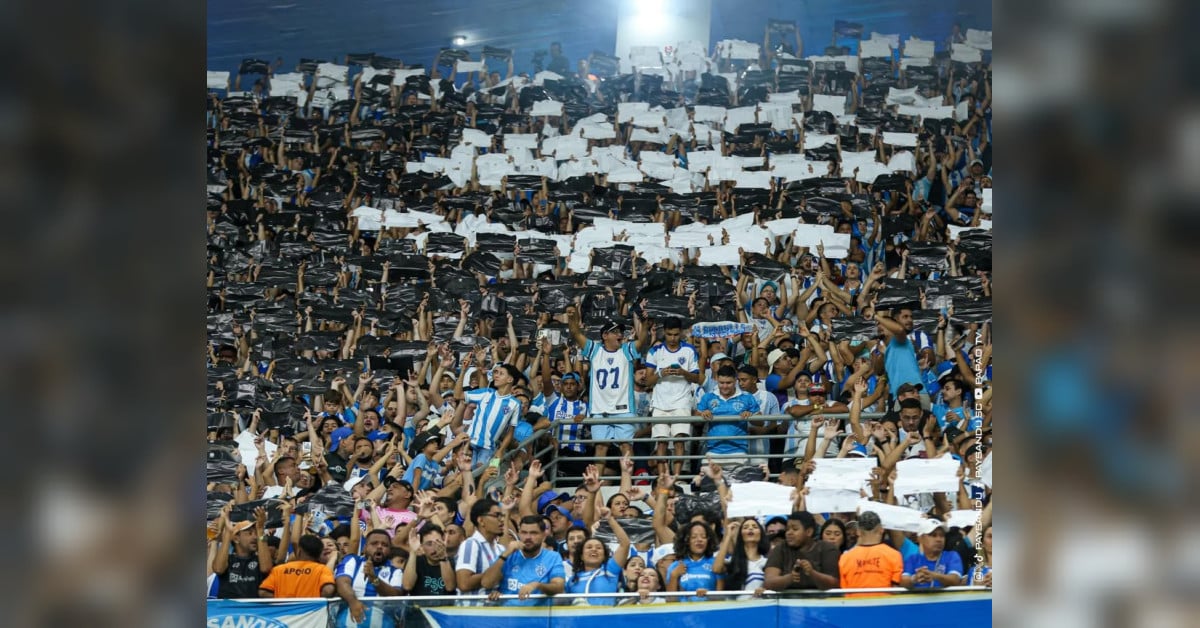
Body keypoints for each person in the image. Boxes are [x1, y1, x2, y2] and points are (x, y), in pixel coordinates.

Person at [567, 308, 651, 475]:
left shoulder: (626, 350)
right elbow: (575, 333)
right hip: (600, 410)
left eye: (621, 332)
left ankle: (628, 481)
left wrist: (645, 324)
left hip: (624, 409)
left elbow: (642, 340)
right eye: (615, 332)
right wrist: (572, 316)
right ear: (605, 335)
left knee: (626, 446)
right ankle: (596, 483)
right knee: (600, 448)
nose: (620, 334)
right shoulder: (595, 350)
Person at [644, 317, 703, 477]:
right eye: (669, 334)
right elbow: (647, 381)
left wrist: (683, 372)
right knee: (661, 442)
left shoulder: (689, 350)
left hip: (682, 402)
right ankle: (663, 477)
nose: (672, 338)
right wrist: (661, 373)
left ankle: (676, 478)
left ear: (681, 333)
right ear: (664, 332)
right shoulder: (655, 351)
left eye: (676, 335)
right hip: (660, 403)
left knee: (679, 441)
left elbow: (697, 378)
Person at [454, 353, 522, 468]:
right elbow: (457, 395)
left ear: (510, 379)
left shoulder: (515, 404)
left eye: (501, 373)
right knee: (463, 473)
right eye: (496, 372)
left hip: (489, 448)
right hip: (469, 443)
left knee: (487, 473)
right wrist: (463, 371)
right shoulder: (486, 392)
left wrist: (501, 450)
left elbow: (510, 432)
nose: (496, 376)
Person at [482, 515, 566, 606]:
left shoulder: (553, 557)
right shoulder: (508, 555)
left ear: (543, 536)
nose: (528, 537)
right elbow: (486, 583)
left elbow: (559, 587)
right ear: (518, 533)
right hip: (507, 611)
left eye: (533, 533)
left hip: (538, 613)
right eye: (524, 533)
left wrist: (537, 585)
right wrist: (505, 554)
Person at [334, 529, 405, 626]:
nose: (379, 546)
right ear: (364, 548)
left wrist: (374, 579)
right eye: (374, 543)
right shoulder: (353, 561)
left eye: (384, 545)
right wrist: (353, 602)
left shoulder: (396, 571)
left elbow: (395, 596)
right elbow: (342, 583)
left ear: (390, 550)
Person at [695, 365, 761, 464]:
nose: (725, 386)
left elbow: (761, 422)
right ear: (717, 380)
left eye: (728, 383)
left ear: (735, 380)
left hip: (739, 452)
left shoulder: (747, 397)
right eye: (721, 383)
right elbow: (695, 421)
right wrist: (702, 414)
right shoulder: (708, 397)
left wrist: (750, 416)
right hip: (712, 451)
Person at [564, 506, 631, 605]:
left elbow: (625, 544)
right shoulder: (572, 580)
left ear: (604, 556)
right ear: (581, 556)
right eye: (589, 547)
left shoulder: (610, 570)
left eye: (599, 548)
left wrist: (609, 518)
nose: (594, 549)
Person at [763, 512, 840, 590]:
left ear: (809, 532)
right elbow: (768, 583)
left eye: (795, 529)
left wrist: (812, 573)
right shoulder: (780, 549)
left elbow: (835, 583)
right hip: (788, 597)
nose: (789, 533)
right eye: (787, 529)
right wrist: (790, 578)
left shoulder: (827, 549)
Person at [212, 507, 273, 599]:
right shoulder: (228, 560)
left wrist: (260, 530)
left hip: (254, 608)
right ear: (236, 538)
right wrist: (228, 532)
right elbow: (218, 569)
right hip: (229, 607)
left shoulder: (260, 560)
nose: (255, 537)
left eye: (255, 533)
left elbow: (266, 568)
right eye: (249, 533)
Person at [456, 499, 508, 599]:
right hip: (472, 607)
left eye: (502, 516)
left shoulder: (500, 549)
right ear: (481, 521)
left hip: (495, 607)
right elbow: (464, 583)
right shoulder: (470, 544)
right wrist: (493, 576)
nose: (502, 520)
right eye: (496, 515)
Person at [837, 512, 902, 590]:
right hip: (884, 598)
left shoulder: (845, 558)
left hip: (854, 598)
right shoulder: (894, 555)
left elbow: (844, 589)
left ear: (858, 531)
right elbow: (895, 589)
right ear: (881, 529)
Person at [258, 534, 337, 598]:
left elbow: (263, 592)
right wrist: (315, 602)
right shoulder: (322, 569)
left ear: (299, 551)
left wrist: (282, 602)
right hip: (312, 611)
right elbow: (328, 590)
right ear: (319, 553)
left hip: (284, 612)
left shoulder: (278, 569)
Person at [665, 521, 723, 601]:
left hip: (709, 608)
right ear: (686, 541)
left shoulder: (716, 564)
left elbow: (720, 599)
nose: (699, 540)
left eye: (703, 537)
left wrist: (708, 595)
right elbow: (670, 602)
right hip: (684, 608)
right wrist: (674, 576)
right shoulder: (675, 566)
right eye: (694, 537)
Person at [901, 520, 965, 589]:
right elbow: (903, 582)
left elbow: (955, 580)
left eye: (942, 536)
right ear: (920, 538)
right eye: (933, 535)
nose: (939, 539)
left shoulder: (952, 556)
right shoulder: (913, 559)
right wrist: (915, 578)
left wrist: (935, 576)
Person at [717, 518, 769, 598]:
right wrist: (728, 535)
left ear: (761, 534)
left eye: (755, 527)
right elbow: (717, 569)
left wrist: (764, 590)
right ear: (741, 535)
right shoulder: (733, 561)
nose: (750, 528)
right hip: (737, 604)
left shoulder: (767, 562)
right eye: (745, 527)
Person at [402, 524, 457, 595]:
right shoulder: (415, 561)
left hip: (444, 602)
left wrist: (442, 558)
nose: (435, 548)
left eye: (438, 542)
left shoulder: (451, 561)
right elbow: (407, 586)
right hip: (420, 602)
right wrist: (413, 552)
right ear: (421, 546)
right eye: (429, 544)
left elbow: (450, 587)